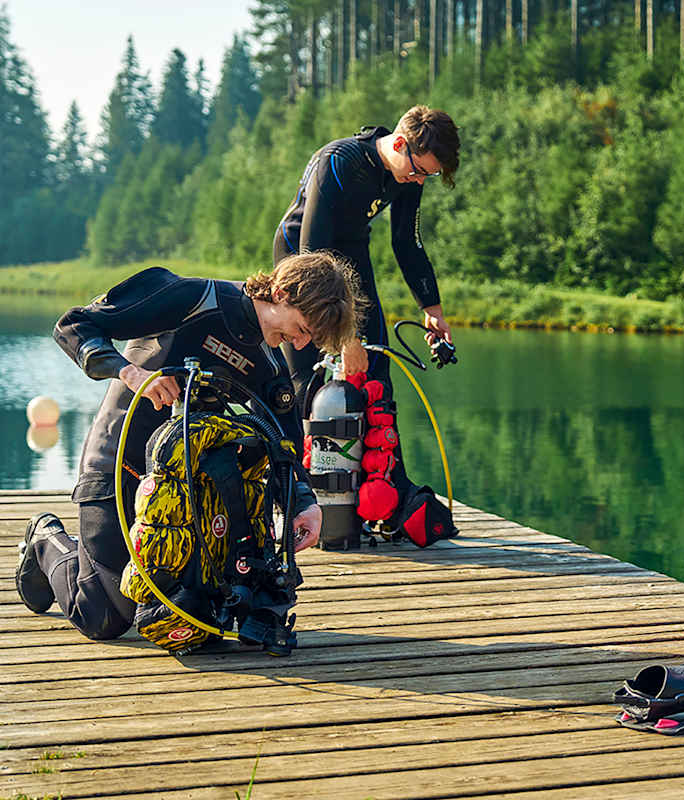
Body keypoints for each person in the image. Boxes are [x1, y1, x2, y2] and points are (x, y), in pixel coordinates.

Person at [15, 252, 362, 641]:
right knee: (103, 617)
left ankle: (103, 558)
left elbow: (285, 449)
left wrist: (305, 503)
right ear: (280, 292)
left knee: (198, 612)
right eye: (300, 328)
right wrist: (131, 373)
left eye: (308, 338)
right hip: (118, 463)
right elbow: (73, 324)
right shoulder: (192, 299)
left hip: (182, 497)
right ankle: (45, 539)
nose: (299, 342)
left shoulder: (269, 367)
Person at [273, 105, 460, 512]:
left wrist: (432, 308)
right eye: (417, 172)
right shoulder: (338, 163)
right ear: (399, 143)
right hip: (301, 264)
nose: (418, 180)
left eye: (426, 175)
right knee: (303, 380)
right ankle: (298, 494)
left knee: (377, 373)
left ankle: (384, 490)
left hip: (352, 260)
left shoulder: (409, 171)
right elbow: (312, 254)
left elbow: (407, 244)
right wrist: (344, 338)